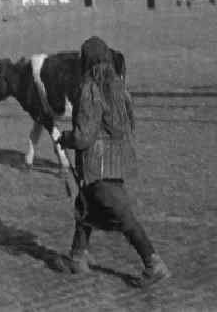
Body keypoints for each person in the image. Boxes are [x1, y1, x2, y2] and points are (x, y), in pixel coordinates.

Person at [53, 36, 170, 287]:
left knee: (121, 213)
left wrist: (65, 138)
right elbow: (127, 126)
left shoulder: (90, 89)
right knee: (85, 204)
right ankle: (77, 257)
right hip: (118, 161)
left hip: (98, 164)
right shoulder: (118, 86)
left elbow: (84, 137)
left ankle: (152, 262)